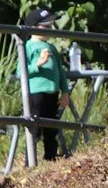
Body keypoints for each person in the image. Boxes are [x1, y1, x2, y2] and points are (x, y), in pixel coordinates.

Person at [21, 10, 72, 160]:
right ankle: (30, 159)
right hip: (36, 93)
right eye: (46, 26)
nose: (50, 28)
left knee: (51, 128)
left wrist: (64, 92)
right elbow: (21, 72)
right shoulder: (27, 46)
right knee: (35, 128)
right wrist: (38, 64)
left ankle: (50, 157)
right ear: (34, 27)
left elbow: (60, 71)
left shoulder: (51, 48)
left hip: (52, 93)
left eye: (50, 25)